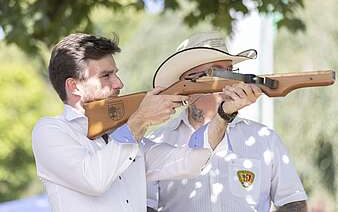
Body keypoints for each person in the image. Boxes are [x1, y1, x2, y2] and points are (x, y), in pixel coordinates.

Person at [32, 33, 261, 212]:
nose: (119, 83)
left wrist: (224, 114)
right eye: (106, 76)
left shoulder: (126, 136)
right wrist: (140, 120)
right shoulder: (50, 131)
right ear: (74, 86)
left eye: (116, 74)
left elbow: (190, 161)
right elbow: (93, 180)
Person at [147, 33, 308, 212]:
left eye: (231, 71)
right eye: (219, 71)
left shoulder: (265, 139)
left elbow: (293, 203)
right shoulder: (157, 141)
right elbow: (146, 206)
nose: (231, 79)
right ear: (188, 80)